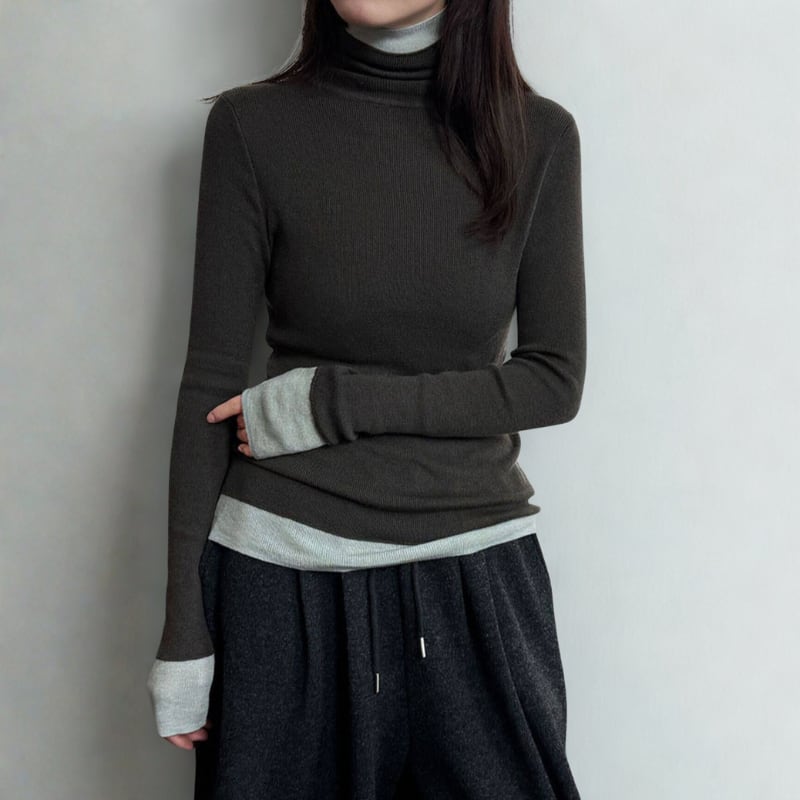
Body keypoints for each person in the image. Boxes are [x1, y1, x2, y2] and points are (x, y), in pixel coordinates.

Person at [146, 1, 586, 797]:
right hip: (278, 579)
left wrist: (332, 405)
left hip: (474, 578)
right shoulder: (253, 127)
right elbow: (207, 381)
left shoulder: (539, 135)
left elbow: (553, 379)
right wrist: (184, 630)